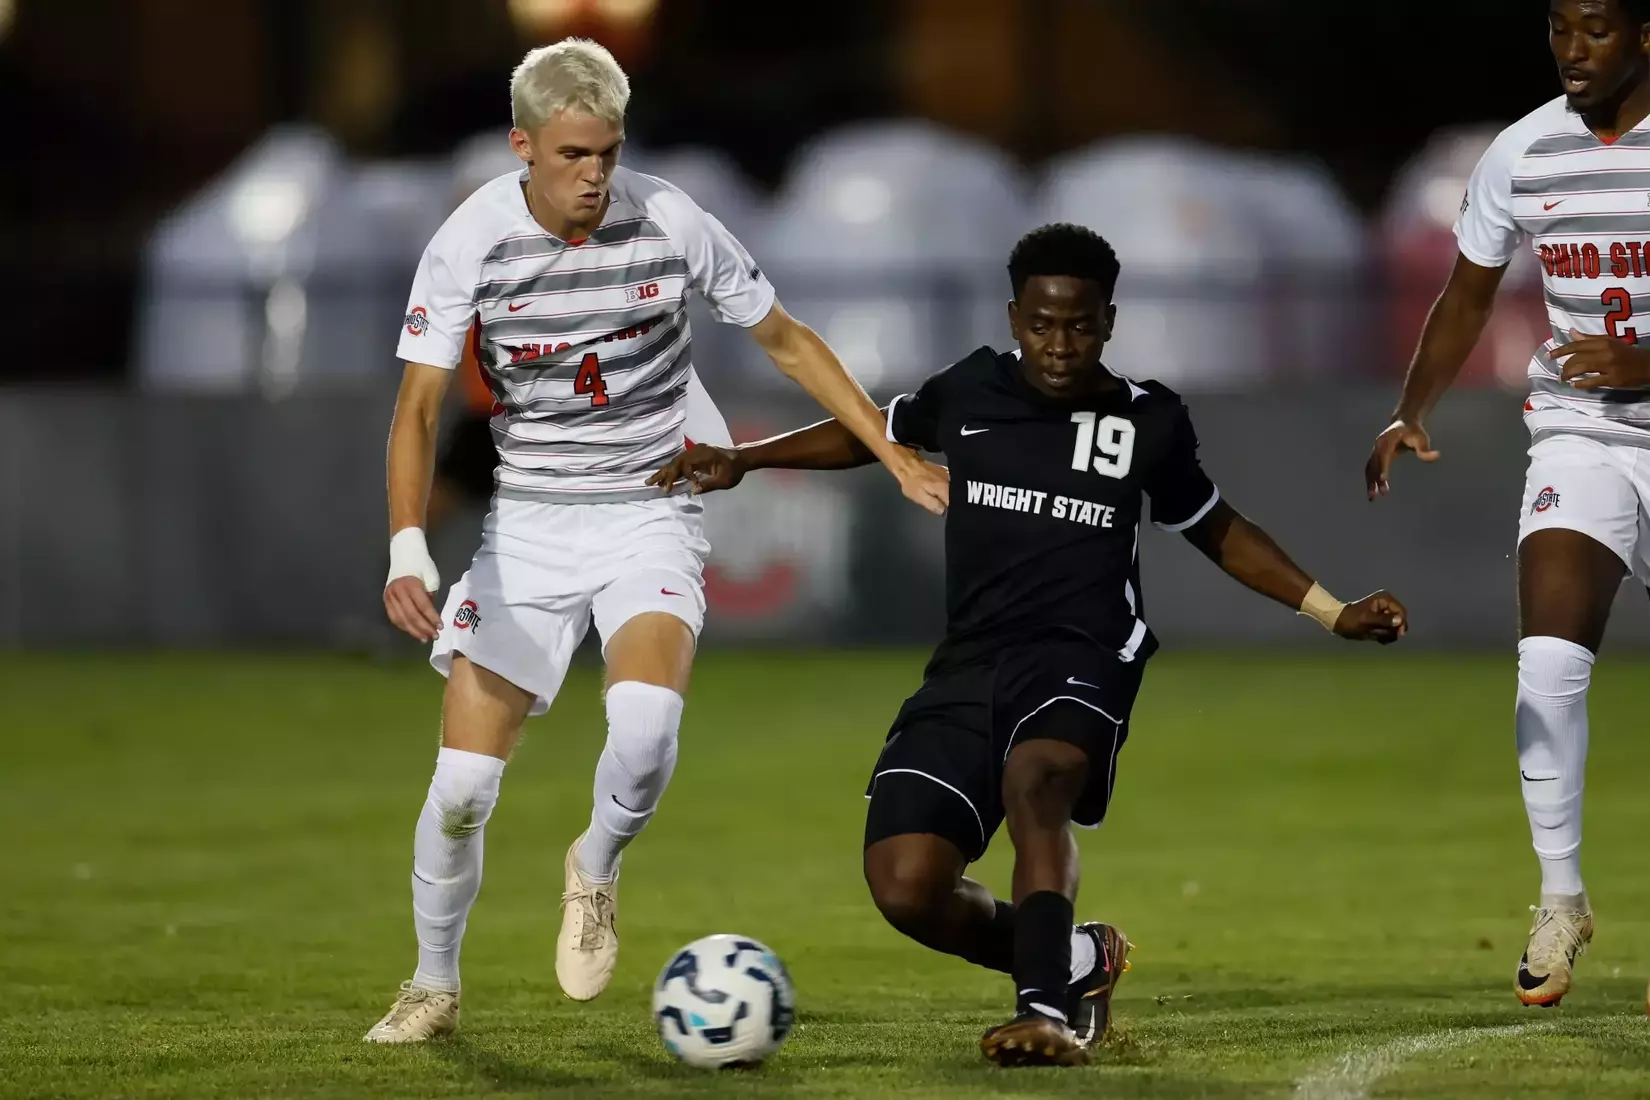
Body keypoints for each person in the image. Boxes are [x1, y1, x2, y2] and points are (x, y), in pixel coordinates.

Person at [654, 223, 1409, 1066]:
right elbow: (874, 432)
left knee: (1036, 780)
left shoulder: (1148, 420)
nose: (1060, 344)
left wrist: (1332, 610)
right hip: (970, 662)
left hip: (1085, 656)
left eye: (1080, 325)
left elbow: (1217, 527)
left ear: (1109, 321)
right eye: (1043, 324)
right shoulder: (970, 389)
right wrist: (747, 459)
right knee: (906, 885)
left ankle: (1044, 1010)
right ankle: (1077, 960)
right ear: (1015, 317)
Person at [367, 38, 947, 1044]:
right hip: (530, 526)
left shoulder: (671, 218)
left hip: (651, 507)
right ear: (523, 146)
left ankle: (593, 866)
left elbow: (787, 339)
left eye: (608, 152)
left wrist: (891, 454)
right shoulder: (470, 241)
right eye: (573, 155)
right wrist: (407, 545)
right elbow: (418, 407)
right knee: (461, 788)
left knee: (642, 733)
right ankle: (433, 985)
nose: (595, 175)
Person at [1364, 0, 1650, 1011]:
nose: (1573, 49)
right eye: (1559, 28)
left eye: (1596, 30)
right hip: (1582, 430)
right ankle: (1561, 898)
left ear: (1646, 37)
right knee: (1549, 662)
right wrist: (1411, 409)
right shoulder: (1523, 151)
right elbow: (1469, 292)